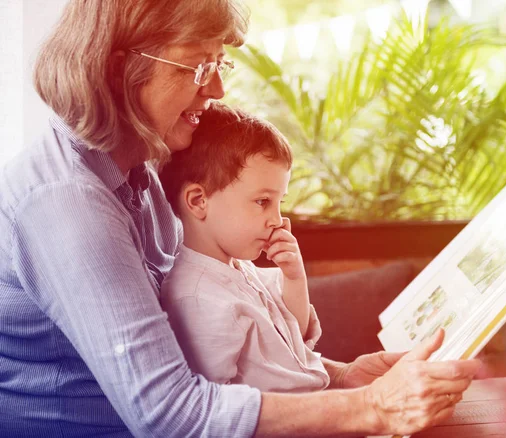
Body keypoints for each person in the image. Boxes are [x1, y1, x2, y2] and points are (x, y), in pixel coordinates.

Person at [0, 0, 481, 437]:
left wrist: (341, 377)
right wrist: (371, 406)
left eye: (218, 63)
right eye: (196, 66)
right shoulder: (67, 205)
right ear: (120, 69)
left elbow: (200, 365)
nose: (217, 87)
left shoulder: (143, 165)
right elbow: (172, 416)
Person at [159, 103, 329, 392]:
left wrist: (294, 278)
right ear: (199, 201)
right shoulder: (197, 298)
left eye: (280, 203)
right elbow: (214, 409)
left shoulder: (241, 269)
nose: (277, 220)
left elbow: (295, 337)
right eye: (263, 201)